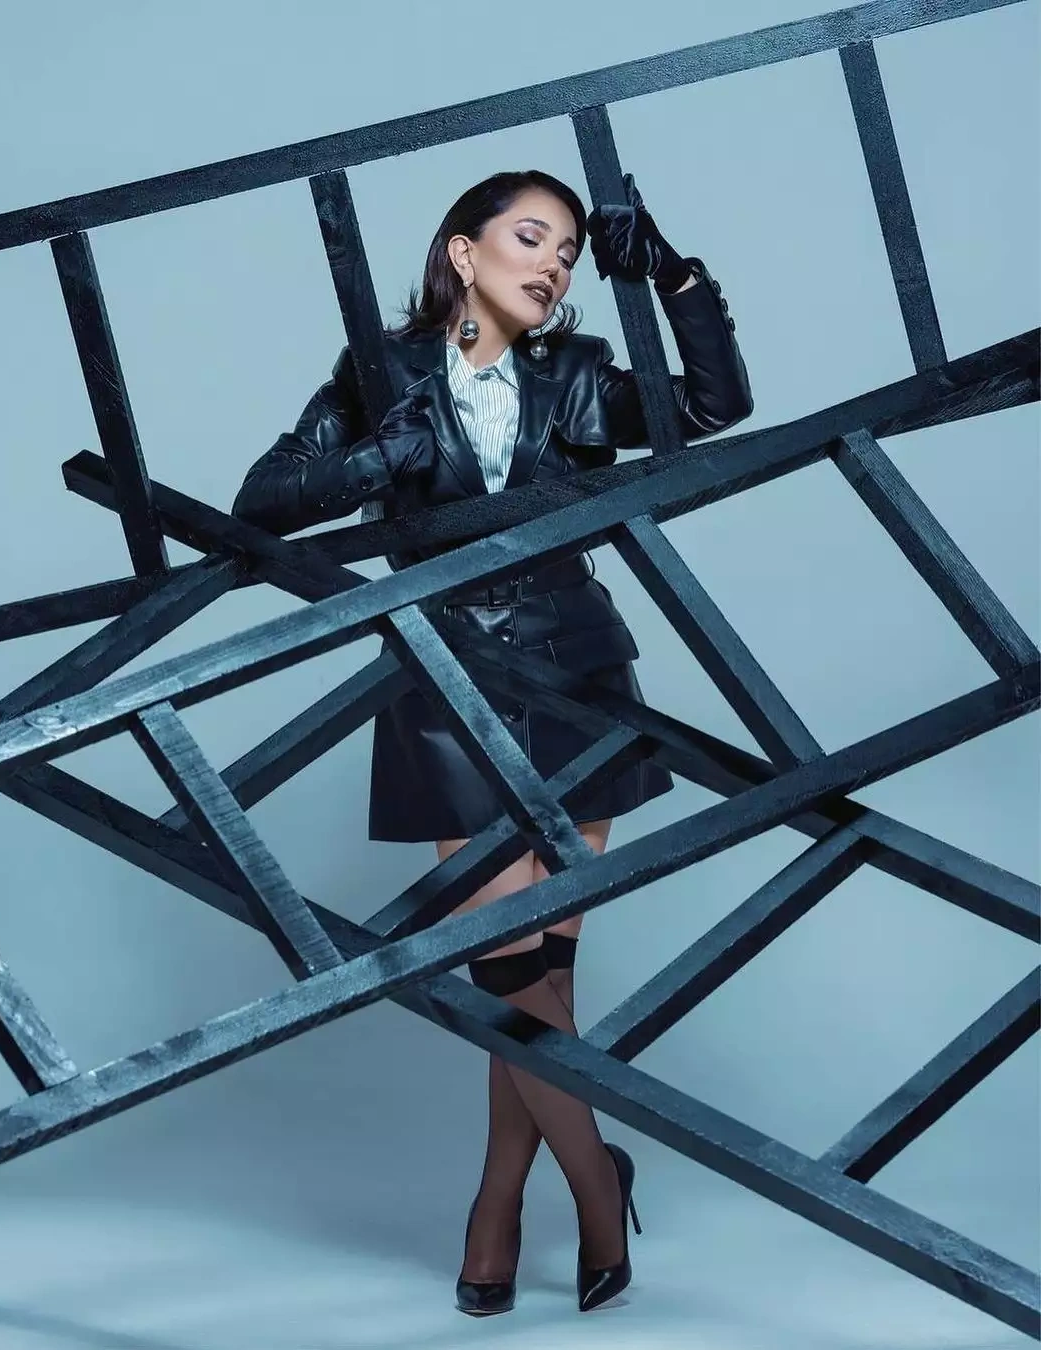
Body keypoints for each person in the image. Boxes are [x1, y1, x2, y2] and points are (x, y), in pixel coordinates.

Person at [232, 169, 753, 1315]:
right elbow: (260, 499)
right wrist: (371, 465)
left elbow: (716, 408)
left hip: (578, 674)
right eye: (530, 238)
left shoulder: (580, 374)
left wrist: (671, 277)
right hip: (445, 684)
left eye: (567, 250)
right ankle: (598, 1183)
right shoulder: (381, 373)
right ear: (464, 254)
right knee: (506, 966)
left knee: (542, 972)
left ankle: (497, 1205)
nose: (553, 264)